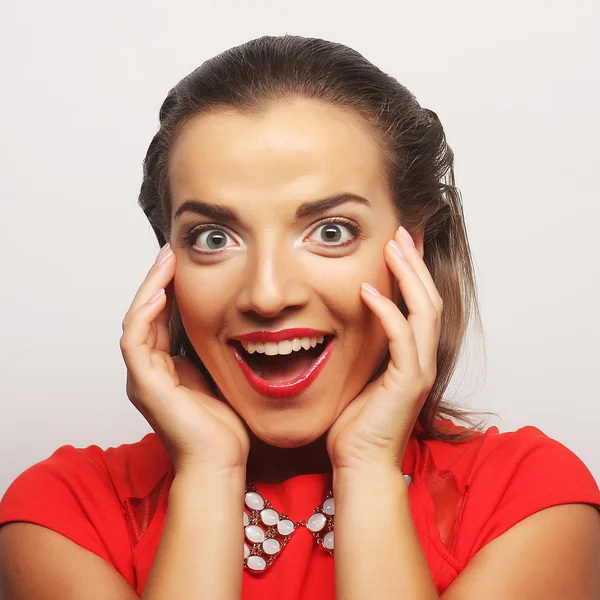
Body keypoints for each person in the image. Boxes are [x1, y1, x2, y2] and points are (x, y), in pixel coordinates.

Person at [0, 34, 599, 600]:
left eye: (331, 231)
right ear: (168, 263)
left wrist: (366, 466)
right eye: (213, 237)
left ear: (410, 248)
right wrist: (209, 472)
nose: (266, 294)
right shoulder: (63, 513)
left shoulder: (529, 500)